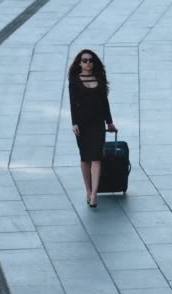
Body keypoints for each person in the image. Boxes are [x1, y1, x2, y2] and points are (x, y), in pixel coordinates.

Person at [68, 49, 116, 208]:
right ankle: (88, 190)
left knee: (96, 157)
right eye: (85, 60)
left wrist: (109, 122)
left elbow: (104, 102)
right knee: (85, 158)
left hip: (97, 123)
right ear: (79, 63)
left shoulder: (100, 78)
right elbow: (73, 103)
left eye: (90, 60)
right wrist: (74, 122)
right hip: (82, 124)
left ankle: (94, 193)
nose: (88, 63)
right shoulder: (74, 80)